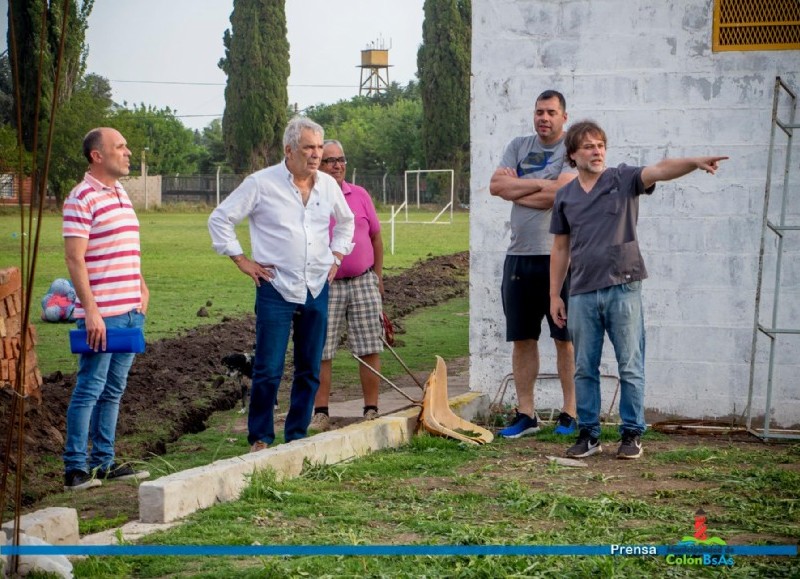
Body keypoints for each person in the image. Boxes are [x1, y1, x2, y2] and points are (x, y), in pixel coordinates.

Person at [549, 120, 727, 459]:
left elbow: (660, 169)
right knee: (584, 368)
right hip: (582, 292)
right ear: (573, 154)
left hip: (624, 287)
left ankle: (631, 434)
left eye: (600, 144)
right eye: (588, 146)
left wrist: (693, 162)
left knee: (630, 365)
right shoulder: (565, 196)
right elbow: (560, 248)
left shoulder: (622, 178)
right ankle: (588, 434)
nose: (597, 150)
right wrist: (555, 294)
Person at [208, 117, 355, 452]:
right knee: (269, 367)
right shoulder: (261, 183)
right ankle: (260, 437)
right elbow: (220, 219)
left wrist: (336, 256)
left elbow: (346, 222)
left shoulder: (328, 186)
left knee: (309, 367)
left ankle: (297, 435)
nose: (316, 154)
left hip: (317, 286)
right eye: (309, 147)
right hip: (276, 287)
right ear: (289, 150)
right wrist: (241, 260)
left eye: (319, 147)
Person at [62, 127, 150, 491]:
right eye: (120, 147)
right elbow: (74, 259)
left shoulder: (120, 193)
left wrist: (142, 287)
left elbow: (127, 247)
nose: (127, 152)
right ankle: (75, 469)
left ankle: (105, 462)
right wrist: (91, 311)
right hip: (104, 314)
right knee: (90, 387)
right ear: (97, 156)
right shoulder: (80, 198)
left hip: (130, 310)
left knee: (114, 389)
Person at [489, 89, 578, 438]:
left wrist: (521, 186)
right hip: (519, 258)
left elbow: (562, 194)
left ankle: (570, 412)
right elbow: (496, 186)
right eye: (539, 111)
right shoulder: (518, 145)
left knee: (564, 338)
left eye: (551, 112)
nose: (544, 117)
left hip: (560, 258)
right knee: (523, 338)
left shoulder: (573, 148)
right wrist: (544, 183)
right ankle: (526, 413)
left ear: (564, 117)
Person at [309, 140, 385, 431]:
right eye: (330, 161)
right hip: (326, 285)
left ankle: (371, 409)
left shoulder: (361, 195)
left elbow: (376, 238)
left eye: (341, 159)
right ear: (319, 165)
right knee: (322, 349)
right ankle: (321, 413)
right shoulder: (312, 197)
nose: (337, 165)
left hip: (363, 281)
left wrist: (377, 277)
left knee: (369, 345)